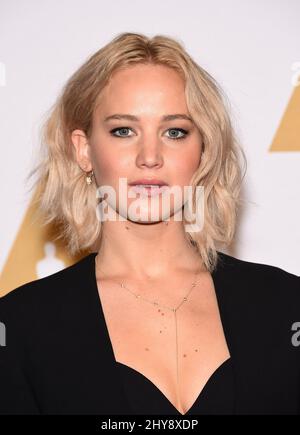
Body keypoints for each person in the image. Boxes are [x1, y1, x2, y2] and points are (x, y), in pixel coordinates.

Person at [0, 32, 299, 416]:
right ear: (84, 149)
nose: (150, 157)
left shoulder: (286, 305)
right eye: (123, 130)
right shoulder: (22, 327)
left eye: (175, 131)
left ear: (204, 149)